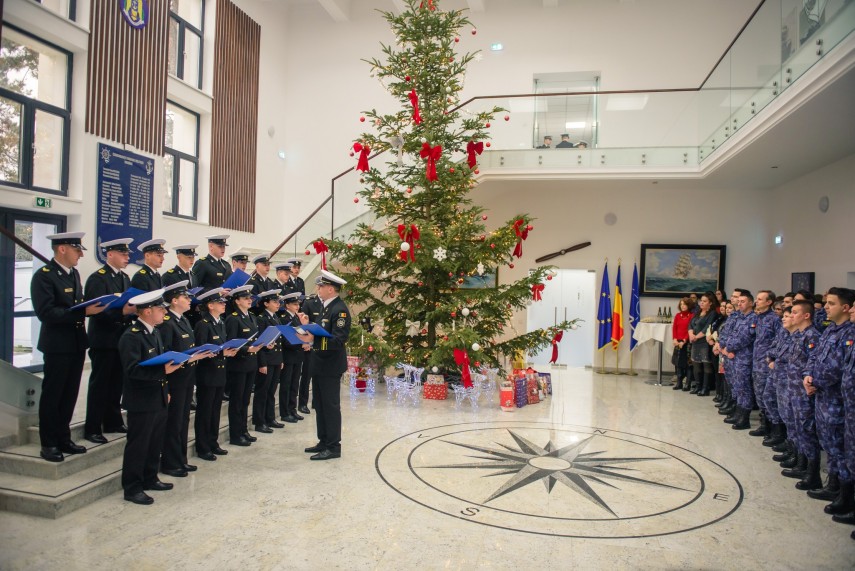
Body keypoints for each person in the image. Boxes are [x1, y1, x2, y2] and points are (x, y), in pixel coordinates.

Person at [31, 232, 107, 462]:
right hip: (57, 345)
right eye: (77, 250)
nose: (80, 255)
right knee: (53, 395)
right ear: (62, 249)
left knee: (70, 394)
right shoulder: (44, 276)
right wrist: (84, 312)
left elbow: (76, 303)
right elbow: (46, 313)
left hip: (75, 343)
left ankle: (63, 437)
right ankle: (49, 443)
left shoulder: (73, 274)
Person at [118, 289, 185, 505]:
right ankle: (132, 487)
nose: (163, 312)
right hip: (140, 400)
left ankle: (150, 477)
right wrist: (163, 372)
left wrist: (165, 392)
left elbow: (158, 363)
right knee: (138, 445)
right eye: (159, 309)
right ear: (147, 311)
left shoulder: (154, 332)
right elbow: (132, 371)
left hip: (157, 396)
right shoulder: (131, 336)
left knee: (155, 442)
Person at [803, 287, 855, 511]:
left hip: (836, 399)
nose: (826, 307)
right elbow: (815, 356)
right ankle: (833, 485)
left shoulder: (848, 334)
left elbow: (837, 369)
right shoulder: (830, 330)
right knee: (829, 443)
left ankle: (844, 495)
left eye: (831, 303)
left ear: (845, 307)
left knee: (839, 448)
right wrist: (809, 376)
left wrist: (816, 382)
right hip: (823, 396)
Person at [83, 238, 137, 444]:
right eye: (123, 254)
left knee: (116, 383)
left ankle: (113, 420)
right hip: (103, 339)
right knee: (100, 385)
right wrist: (122, 312)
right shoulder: (98, 278)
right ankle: (93, 427)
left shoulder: (124, 278)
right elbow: (96, 311)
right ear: (110, 254)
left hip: (120, 339)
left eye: (128, 254)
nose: (127, 258)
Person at [298, 270, 351, 460]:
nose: (318, 289)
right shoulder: (326, 308)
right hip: (319, 364)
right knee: (319, 405)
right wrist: (306, 326)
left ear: (330, 289)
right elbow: (320, 332)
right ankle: (323, 440)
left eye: (321, 286)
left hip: (330, 366)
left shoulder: (340, 310)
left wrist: (313, 340)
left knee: (330, 406)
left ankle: (333, 446)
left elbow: (338, 341)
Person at [158, 281, 210, 477]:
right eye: (185, 297)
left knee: (182, 420)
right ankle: (170, 463)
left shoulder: (183, 320)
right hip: (175, 379)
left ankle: (181, 459)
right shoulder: (166, 323)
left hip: (187, 377)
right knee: (173, 421)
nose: (189, 300)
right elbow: (167, 353)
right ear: (174, 300)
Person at [193, 288, 238, 461]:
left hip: (220, 373)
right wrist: (222, 354)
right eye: (220, 303)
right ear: (210, 305)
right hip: (207, 374)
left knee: (215, 410)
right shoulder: (203, 325)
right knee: (205, 411)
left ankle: (213, 442)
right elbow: (202, 351)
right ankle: (203, 446)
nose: (223, 305)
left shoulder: (220, 322)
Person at [784, 300, 822, 489]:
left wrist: (809, 378)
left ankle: (812, 473)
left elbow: (813, 361)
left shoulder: (812, 335)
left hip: (804, 392)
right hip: (793, 388)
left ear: (806, 315)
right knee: (797, 427)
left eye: (795, 312)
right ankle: (800, 462)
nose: (792, 315)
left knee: (807, 430)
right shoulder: (798, 335)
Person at [224, 285, 261, 446]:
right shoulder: (233, 318)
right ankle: (235, 434)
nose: (249, 300)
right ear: (237, 301)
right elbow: (231, 343)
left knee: (245, 400)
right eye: (245, 298)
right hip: (238, 364)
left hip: (250, 363)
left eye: (250, 298)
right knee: (237, 400)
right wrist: (247, 349)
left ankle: (243, 430)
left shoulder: (251, 316)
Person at [832, 300, 855, 531]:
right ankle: (842, 493)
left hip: (840, 399)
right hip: (847, 402)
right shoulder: (839, 331)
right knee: (843, 448)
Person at [750, 290, 783, 443]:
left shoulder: (774, 319)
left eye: (760, 299)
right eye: (756, 299)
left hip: (767, 363)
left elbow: (779, 341)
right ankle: (764, 424)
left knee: (768, 397)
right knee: (759, 396)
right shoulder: (757, 318)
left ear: (769, 302)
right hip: (756, 362)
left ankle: (775, 430)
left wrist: (772, 359)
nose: (756, 301)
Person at [721, 290, 756, 429]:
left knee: (744, 387)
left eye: (743, 301)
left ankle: (744, 417)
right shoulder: (739, 317)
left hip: (744, 357)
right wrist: (725, 347)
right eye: (738, 301)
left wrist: (728, 348)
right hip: (733, 356)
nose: (740, 304)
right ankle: (738, 412)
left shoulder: (753, 318)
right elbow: (730, 333)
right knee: (737, 386)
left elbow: (745, 338)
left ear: (751, 303)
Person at [254, 289, 284, 434]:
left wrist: (280, 359)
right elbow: (260, 343)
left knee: (271, 391)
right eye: (274, 302)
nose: (278, 304)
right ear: (266, 303)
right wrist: (262, 363)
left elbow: (279, 340)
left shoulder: (276, 317)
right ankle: (260, 422)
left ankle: (270, 417)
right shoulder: (261, 319)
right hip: (266, 358)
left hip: (275, 358)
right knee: (263, 391)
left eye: (278, 302)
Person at [279, 292, 306, 423]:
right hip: (288, 355)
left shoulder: (296, 318)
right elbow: (285, 339)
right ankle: (285, 412)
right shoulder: (284, 318)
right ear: (287, 305)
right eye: (294, 304)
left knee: (295, 383)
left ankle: (292, 409)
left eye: (298, 304)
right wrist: (301, 344)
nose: (297, 306)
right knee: (286, 384)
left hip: (297, 355)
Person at [688, 292, 720, 396]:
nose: (702, 303)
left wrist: (696, 337)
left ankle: (705, 388)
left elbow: (707, 327)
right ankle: (698, 386)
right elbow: (690, 324)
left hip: (704, 342)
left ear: (710, 303)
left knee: (706, 365)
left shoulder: (712, 313)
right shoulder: (698, 312)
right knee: (696, 364)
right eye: (701, 301)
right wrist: (691, 334)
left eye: (704, 301)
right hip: (695, 342)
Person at [671, 297, 694, 390]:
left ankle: (687, 384)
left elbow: (691, 329)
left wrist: (684, 340)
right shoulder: (677, 315)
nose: (683, 306)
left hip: (687, 342)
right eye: (681, 304)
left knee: (688, 364)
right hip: (678, 342)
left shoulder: (692, 316)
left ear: (688, 305)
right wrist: (675, 339)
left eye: (684, 304)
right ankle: (679, 383)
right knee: (678, 363)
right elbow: (674, 328)